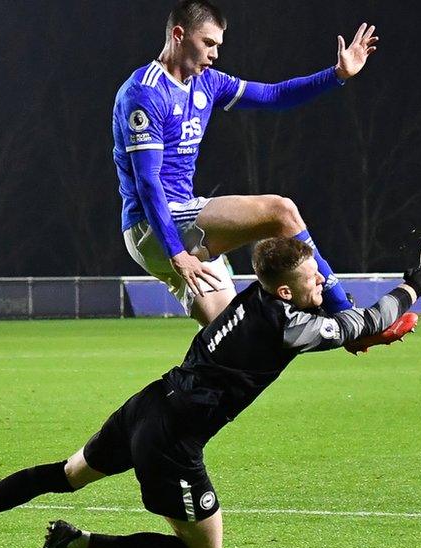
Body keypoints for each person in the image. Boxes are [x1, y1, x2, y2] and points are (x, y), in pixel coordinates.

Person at [0, 238, 421, 548]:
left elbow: (348, 318)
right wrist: (420, 280)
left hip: (148, 404)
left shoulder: (253, 296)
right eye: (314, 277)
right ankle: (77, 544)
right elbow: (365, 321)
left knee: (64, 473)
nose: (323, 281)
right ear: (286, 292)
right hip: (170, 443)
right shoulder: (289, 327)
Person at [115, 0, 379, 325]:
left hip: (181, 224)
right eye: (208, 43)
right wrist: (177, 253)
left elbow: (273, 96)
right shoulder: (145, 93)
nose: (214, 54)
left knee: (234, 340)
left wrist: (336, 74)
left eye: (218, 46)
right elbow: (148, 182)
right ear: (179, 35)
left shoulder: (207, 83)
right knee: (281, 212)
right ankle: (345, 314)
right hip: (153, 227)